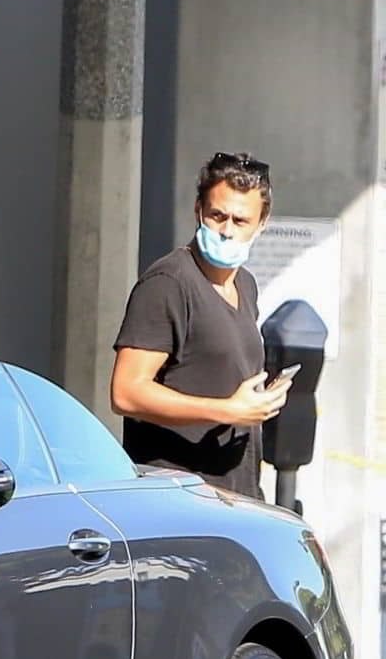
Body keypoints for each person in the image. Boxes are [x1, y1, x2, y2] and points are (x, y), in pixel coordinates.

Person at [109, 151, 292, 498]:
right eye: (217, 216)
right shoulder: (169, 282)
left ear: (261, 224)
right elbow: (127, 392)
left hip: (236, 494)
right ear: (198, 211)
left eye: (240, 221)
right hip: (177, 499)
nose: (226, 231)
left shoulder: (246, 285)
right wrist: (226, 410)